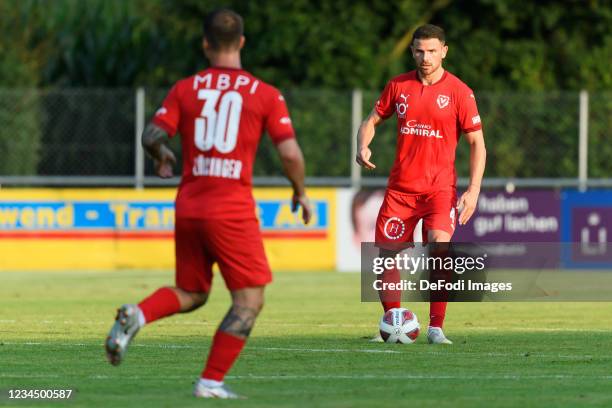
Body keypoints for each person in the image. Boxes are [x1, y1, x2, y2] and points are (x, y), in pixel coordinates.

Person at [104, 8, 311, 399]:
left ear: (205, 44)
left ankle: (139, 313)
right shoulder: (265, 94)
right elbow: (290, 154)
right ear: (243, 43)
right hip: (231, 210)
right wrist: (299, 190)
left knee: (193, 292)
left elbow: (151, 135)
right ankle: (210, 382)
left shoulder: (186, 88)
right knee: (249, 301)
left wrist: (162, 157)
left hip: (189, 206)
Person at [356, 24, 486, 344]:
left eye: (431, 51)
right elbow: (370, 121)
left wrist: (473, 190)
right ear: (412, 51)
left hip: (439, 190)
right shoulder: (398, 86)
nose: (425, 57)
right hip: (400, 190)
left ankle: (436, 328)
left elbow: (477, 144)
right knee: (386, 258)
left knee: (440, 249)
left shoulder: (459, 92)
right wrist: (362, 145)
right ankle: (392, 323)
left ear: (444, 51)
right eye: (418, 51)